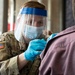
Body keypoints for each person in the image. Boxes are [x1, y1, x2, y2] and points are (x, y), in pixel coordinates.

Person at [0, 1, 48, 75]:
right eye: (30, 21)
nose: (35, 26)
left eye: (40, 22)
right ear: (20, 21)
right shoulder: (6, 39)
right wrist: (25, 56)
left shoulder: (46, 41)